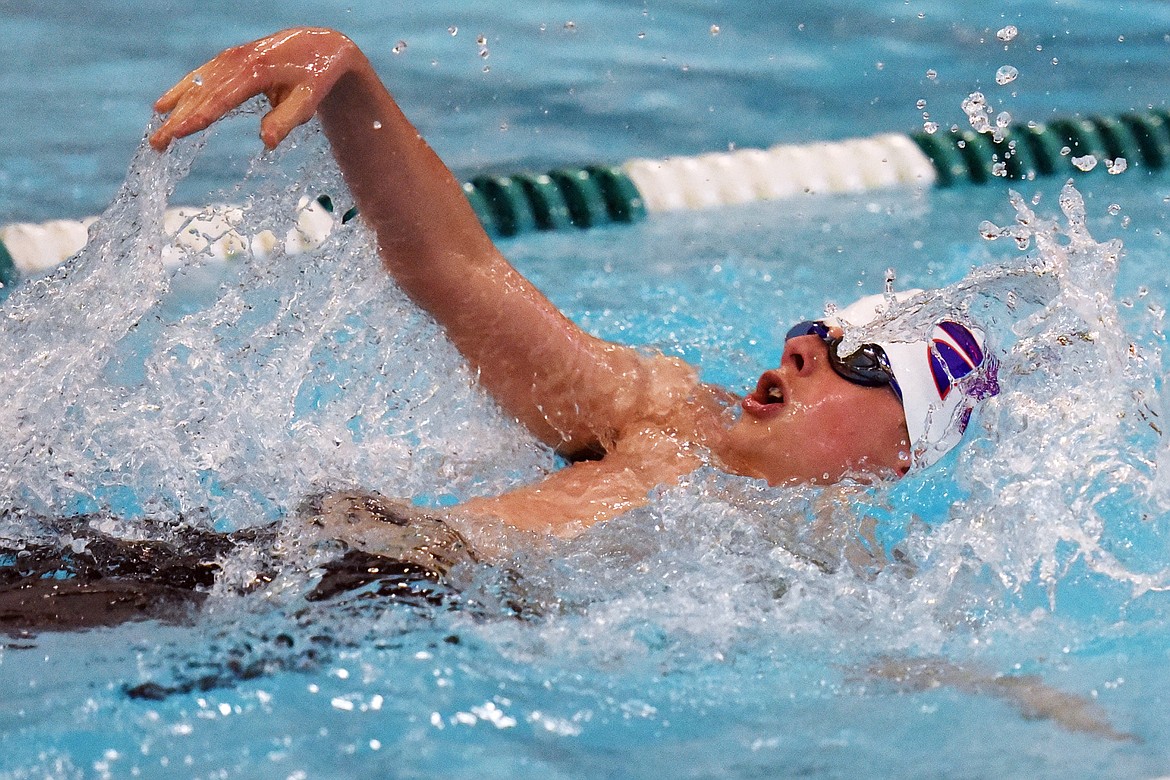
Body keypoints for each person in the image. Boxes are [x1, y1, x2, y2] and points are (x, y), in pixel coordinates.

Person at [145, 27, 997, 547]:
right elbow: (457, 272)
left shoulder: (837, 572)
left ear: (900, 453)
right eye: (820, 329)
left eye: (861, 360)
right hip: (354, 563)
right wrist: (348, 75)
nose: (804, 346)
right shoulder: (662, 412)